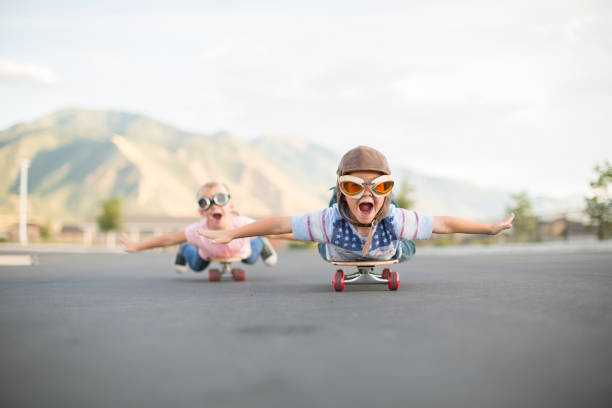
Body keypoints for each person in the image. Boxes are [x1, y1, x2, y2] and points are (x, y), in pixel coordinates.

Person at [198, 146, 515, 263]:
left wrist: (488, 228)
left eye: (379, 187)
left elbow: (444, 224)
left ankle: (381, 199)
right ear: (343, 191)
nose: (367, 194)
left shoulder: (396, 220)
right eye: (352, 186)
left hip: (387, 246)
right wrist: (232, 234)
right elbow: (278, 224)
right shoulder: (328, 222)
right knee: (323, 234)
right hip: (336, 246)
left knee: (407, 244)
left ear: (388, 190)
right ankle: (342, 197)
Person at [119, 181, 280, 273]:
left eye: (220, 199)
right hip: (208, 254)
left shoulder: (242, 224)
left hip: (241, 251)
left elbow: (274, 230)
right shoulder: (199, 230)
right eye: (205, 203)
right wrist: (138, 246)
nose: (214, 206)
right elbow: (169, 238)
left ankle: (261, 243)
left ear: (231, 205)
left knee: (251, 259)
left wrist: (305, 235)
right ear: (201, 211)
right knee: (196, 266)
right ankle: (184, 250)